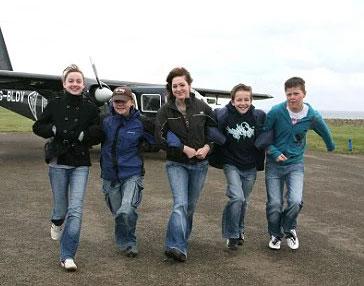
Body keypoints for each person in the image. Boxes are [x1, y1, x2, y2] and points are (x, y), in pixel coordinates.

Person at [32, 64, 101, 271]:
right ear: (64, 84)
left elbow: (98, 132)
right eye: (70, 80)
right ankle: (56, 220)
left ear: (83, 84)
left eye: (78, 81)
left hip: (80, 163)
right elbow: (38, 126)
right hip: (58, 162)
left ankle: (67, 255)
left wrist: (84, 136)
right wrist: (52, 128)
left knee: (76, 209)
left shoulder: (90, 108)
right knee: (61, 209)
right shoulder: (54, 105)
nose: (74, 84)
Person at [263, 77, 335, 250]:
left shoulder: (312, 116)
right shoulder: (276, 111)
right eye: (289, 94)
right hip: (274, 165)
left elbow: (324, 131)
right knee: (274, 204)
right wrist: (274, 152)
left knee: (295, 201)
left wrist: (330, 146)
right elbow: (264, 137)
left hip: (295, 164)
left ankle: (290, 228)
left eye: (296, 94)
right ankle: (275, 234)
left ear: (304, 94)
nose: (292, 97)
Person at [154, 67, 217, 262]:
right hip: (176, 164)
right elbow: (159, 138)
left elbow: (214, 132)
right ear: (170, 89)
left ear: (189, 85)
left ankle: (181, 241)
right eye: (175, 86)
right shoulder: (165, 111)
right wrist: (183, 148)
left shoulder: (203, 108)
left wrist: (207, 147)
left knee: (190, 207)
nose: (179, 89)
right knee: (180, 204)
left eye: (182, 85)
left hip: (200, 165)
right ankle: (175, 246)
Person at [206, 84, 272, 250]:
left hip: (250, 166)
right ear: (233, 101)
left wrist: (260, 144)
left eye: (246, 99)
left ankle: (240, 231)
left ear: (251, 100)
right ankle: (231, 234)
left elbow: (269, 131)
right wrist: (223, 140)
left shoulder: (259, 116)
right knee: (237, 197)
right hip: (231, 164)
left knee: (244, 201)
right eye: (239, 100)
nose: (243, 103)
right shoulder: (224, 115)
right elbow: (210, 128)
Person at [98, 86, 153, 258]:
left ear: (131, 102)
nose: (119, 104)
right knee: (119, 215)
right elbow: (91, 135)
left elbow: (161, 138)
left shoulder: (142, 122)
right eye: (116, 101)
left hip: (132, 174)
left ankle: (128, 243)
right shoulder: (104, 121)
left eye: (123, 101)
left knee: (126, 210)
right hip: (109, 176)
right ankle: (127, 239)